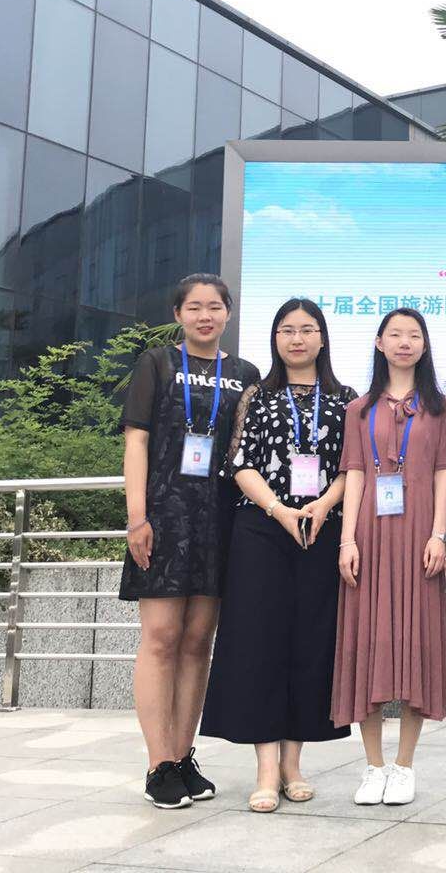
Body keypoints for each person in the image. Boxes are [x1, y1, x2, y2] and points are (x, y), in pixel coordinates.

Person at [201, 298, 359, 812]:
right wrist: (277, 509)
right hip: (261, 529)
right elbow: (240, 463)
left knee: (311, 644)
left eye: (307, 329)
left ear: (322, 338)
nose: (297, 339)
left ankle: (294, 763)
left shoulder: (346, 399)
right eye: (287, 330)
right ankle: (266, 769)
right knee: (260, 644)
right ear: (275, 338)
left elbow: (353, 468)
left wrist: (323, 505)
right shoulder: (258, 394)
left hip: (322, 530)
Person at [119, 273, 261, 809]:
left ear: (228, 313)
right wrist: (137, 517)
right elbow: (137, 442)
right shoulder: (156, 363)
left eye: (215, 306)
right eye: (195, 307)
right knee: (161, 637)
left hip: (220, 520)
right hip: (163, 516)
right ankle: (158, 763)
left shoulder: (244, 374)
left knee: (199, 641)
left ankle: (182, 757)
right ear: (178, 313)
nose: (206, 315)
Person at [333, 308, 446, 807]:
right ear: (379, 343)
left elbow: (444, 472)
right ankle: (373, 766)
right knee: (368, 643)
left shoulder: (441, 407)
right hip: (371, 536)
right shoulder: (359, 409)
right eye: (395, 334)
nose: (405, 342)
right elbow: (356, 474)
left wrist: (439, 534)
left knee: (417, 644)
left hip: (420, 535)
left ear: (424, 346)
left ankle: (404, 766)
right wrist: (347, 540)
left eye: (414, 335)